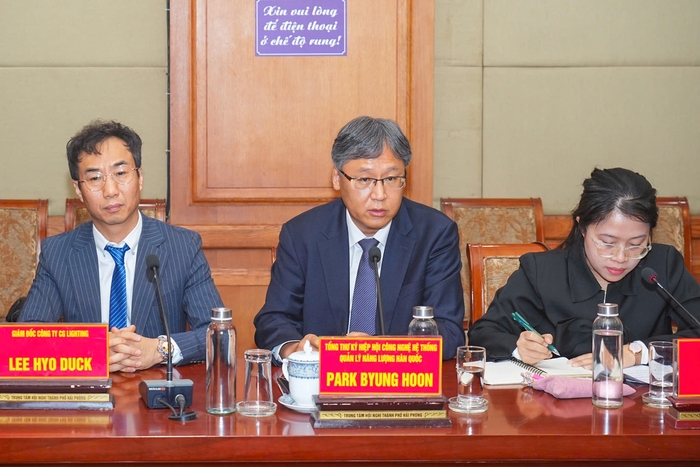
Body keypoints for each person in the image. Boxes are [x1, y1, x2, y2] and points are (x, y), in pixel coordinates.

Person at [254, 116, 465, 361]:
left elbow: (449, 331)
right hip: (321, 385)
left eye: (391, 179)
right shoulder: (303, 234)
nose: (379, 194)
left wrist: (376, 351)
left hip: (399, 385)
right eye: (364, 179)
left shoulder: (435, 234)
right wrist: (296, 349)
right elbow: (274, 319)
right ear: (337, 178)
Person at [20, 120, 223, 372]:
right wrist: (90, 350)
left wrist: (161, 349)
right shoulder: (58, 253)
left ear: (139, 178)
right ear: (79, 191)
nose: (110, 190)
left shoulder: (182, 246)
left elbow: (218, 333)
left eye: (121, 173)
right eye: (95, 178)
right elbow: (27, 339)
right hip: (87, 395)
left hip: (159, 394)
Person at [468, 167, 700, 368]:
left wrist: (635, 353)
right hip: (554, 411)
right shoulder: (540, 271)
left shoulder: (663, 265)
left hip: (642, 408)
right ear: (582, 227)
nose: (620, 258)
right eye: (607, 243)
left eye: (636, 244)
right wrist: (519, 348)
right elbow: (483, 333)